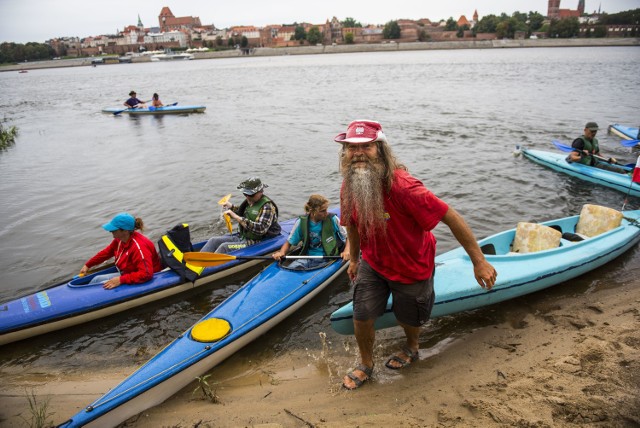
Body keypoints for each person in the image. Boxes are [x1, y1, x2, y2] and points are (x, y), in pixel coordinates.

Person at [334, 120, 497, 390]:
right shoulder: (349, 185)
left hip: (411, 263)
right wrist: (354, 258)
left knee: (409, 317)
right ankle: (366, 364)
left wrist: (479, 262)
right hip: (374, 262)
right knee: (361, 315)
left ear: (381, 150)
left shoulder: (404, 187)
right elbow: (352, 224)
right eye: (351, 148)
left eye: (367, 146)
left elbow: (450, 216)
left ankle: (411, 346)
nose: (358, 153)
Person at [79, 212, 162, 289]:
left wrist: (121, 280)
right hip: (128, 272)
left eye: (114, 229)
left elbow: (146, 274)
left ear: (125, 231)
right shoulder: (120, 240)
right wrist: (88, 265)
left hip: (143, 277)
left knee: (103, 286)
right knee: (97, 279)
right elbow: (106, 253)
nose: (110, 231)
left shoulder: (139, 247)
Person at [200, 177, 281, 253]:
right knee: (213, 240)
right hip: (243, 237)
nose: (247, 197)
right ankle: (195, 261)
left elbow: (261, 229)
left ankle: (209, 267)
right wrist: (231, 207)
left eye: (250, 195)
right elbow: (244, 212)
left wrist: (237, 218)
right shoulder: (251, 201)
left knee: (224, 247)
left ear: (260, 192)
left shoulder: (267, 207)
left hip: (256, 241)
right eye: (245, 194)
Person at [272, 194, 350, 269]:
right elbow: (289, 242)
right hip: (308, 257)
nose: (326, 213)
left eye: (326, 209)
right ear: (312, 211)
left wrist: (347, 251)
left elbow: (349, 237)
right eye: (322, 211)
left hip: (329, 258)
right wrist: (282, 252)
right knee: (293, 267)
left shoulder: (333, 219)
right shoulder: (301, 222)